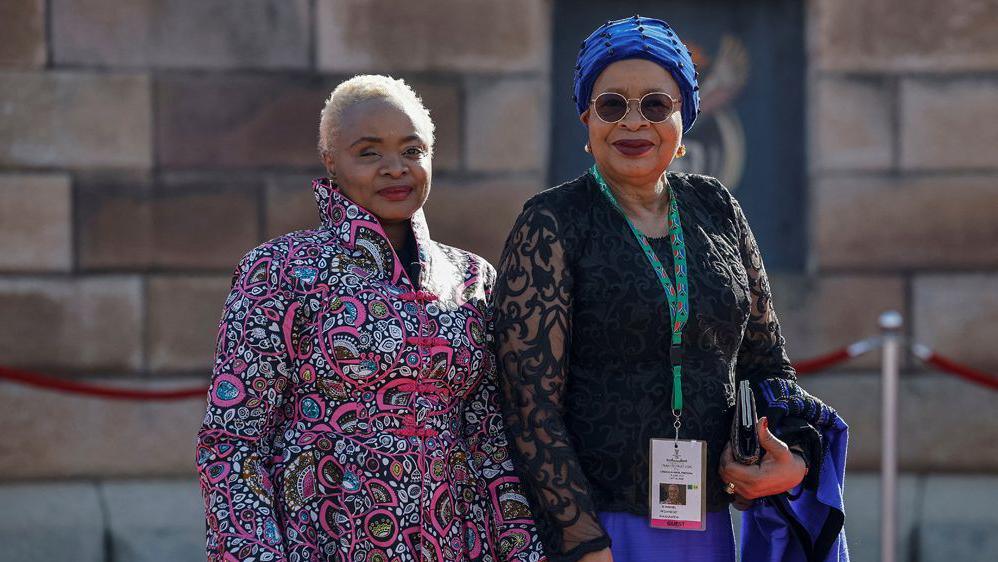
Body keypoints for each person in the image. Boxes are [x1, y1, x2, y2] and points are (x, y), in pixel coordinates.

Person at [494, 16, 847, 562]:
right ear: (587, 120)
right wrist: (582, 541)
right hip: (598, 526)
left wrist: (795, 454)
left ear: (685, 118)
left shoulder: (716, 207)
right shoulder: (553, 221)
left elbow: (767, 364)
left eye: (656, 105)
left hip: (703, 521)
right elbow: (529, 407)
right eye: (612, 104)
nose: (633, 121)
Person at [195, 75, 545, 562]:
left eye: (412, 150)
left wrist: (521, 550)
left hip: (454, 539)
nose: (395, 168)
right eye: (369, 152)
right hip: (322, 535)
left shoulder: (472, 277)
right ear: (330, 162)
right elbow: (234, 442)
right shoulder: (280, 270)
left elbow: (489, 439)